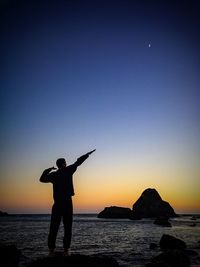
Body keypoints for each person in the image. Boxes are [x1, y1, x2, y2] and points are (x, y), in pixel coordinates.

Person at [40, 149, 96, 256]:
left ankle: (51, 250)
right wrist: (87, 155)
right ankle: (66, 250)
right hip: (67, 203)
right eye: (65, 162)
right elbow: (78, 162)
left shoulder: (53, 175)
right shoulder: (68, 170)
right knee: (67, 227)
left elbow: (41, 179)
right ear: (64, 164)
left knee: (54, 227)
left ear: (57, 165)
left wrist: (49, 169)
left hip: (57, 204)